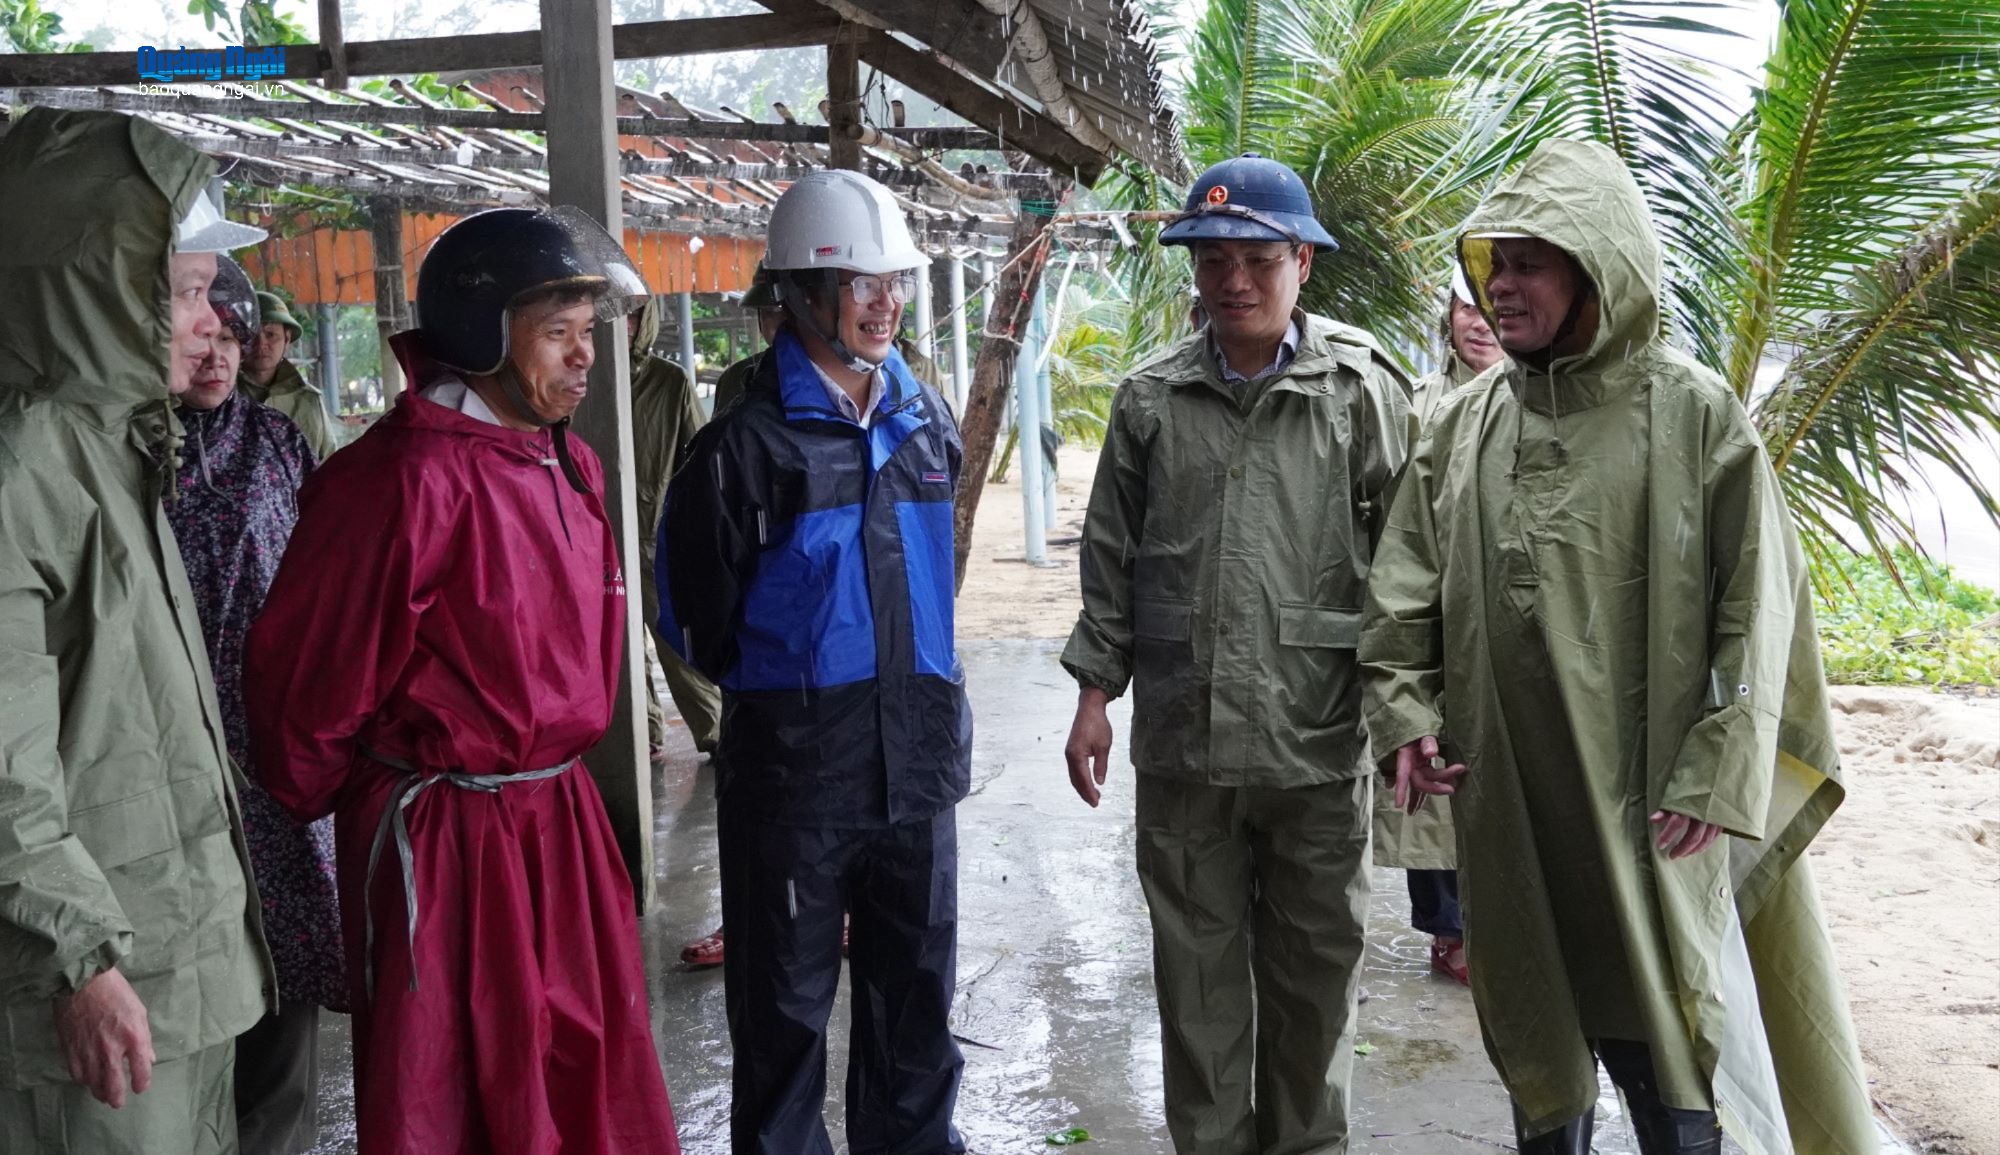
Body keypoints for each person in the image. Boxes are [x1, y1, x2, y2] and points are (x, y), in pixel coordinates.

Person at [1360, 138, 1875, 1155]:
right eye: (1488, 265)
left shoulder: (1689, 414)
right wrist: (1405, 714)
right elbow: (1402, 586)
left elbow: (1756, 606)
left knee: (1666, 1035)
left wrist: (1716, 769)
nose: (1499, 288)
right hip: (1509, 798)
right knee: (1537, 1039)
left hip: (1650, 801)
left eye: (1527, 263)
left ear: (1597, 270)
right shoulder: (1462, 423)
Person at [242, 206, 681, 1155]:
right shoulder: (399, 479)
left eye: (587, 333)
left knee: (580, 1069)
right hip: (445, 839)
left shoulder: (574, 464)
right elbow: (310, 685)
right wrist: (343, 797)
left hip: (557, 821)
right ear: (484, 335)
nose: (583, 358)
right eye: (556, 333)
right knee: (454, 1090)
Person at [1060, 153, 1412, 1155]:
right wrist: (1094, 694)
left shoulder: (1358, 390)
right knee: (1195, 985)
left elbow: (1409, 565)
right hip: (1184, 746)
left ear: (1301, 260)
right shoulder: (1148, 400)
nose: (1233, 281)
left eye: (1256, 257)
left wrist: (1408, 720)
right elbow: (1109, 559)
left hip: (1317, 740)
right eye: (1211, 258)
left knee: (1313, 983)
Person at [658, 168, 970, 1155]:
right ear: (796, 295)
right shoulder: (740, 453)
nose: (885, 303)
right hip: (795, 780)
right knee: (785, 1020)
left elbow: (932, 582)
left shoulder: (927, 428)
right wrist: (794, 697)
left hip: (915, 765)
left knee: (915, 1010)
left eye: (895, 282)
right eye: (860, 282)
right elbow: (693, 617)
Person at [0, 107, 275, 1154]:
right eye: (191, 294)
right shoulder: (23, 470)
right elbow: (5, 763)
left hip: (169, 960)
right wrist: (76, 960)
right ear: (96, 294)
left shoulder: (114, 455)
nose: (218, 325)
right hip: (87, 986)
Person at [167, 254, 345, 1155]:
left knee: (286, 991)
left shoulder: (278, 444)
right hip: (175, 761)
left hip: (277, 758)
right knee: (191, 1000)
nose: (220, 357)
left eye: (236, 341)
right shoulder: (130, 449)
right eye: (206, 338)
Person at [1371, 268, 1505, 987]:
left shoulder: (1543, 402)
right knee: (1434, 792)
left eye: (1490, 307)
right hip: (1436, 625)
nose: (1478, 321)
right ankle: (1450, 931)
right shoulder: (1419, 406)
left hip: (1508, 631)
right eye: (1465, 306)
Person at [630, 295, 724, 759]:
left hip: (654, 536)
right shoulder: (583, 381)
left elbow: (699, 454)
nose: (623, 324)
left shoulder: (669, 383)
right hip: (596, 538)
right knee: (617, 650)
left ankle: (718, 732)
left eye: (633, 314)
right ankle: (642, 732)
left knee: (674, 641)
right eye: (615, 314)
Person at [712, 262, 944, 415]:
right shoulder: (741, 380)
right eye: (771, 312)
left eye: (893, 285)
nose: (782, 322)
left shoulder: (919, 373)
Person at [240, 289, 341, 462]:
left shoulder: (308, 400)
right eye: (251, 334)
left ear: (287, 340)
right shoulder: (221, 396)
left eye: (271, 334)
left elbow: (330, 464)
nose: (261, 344)